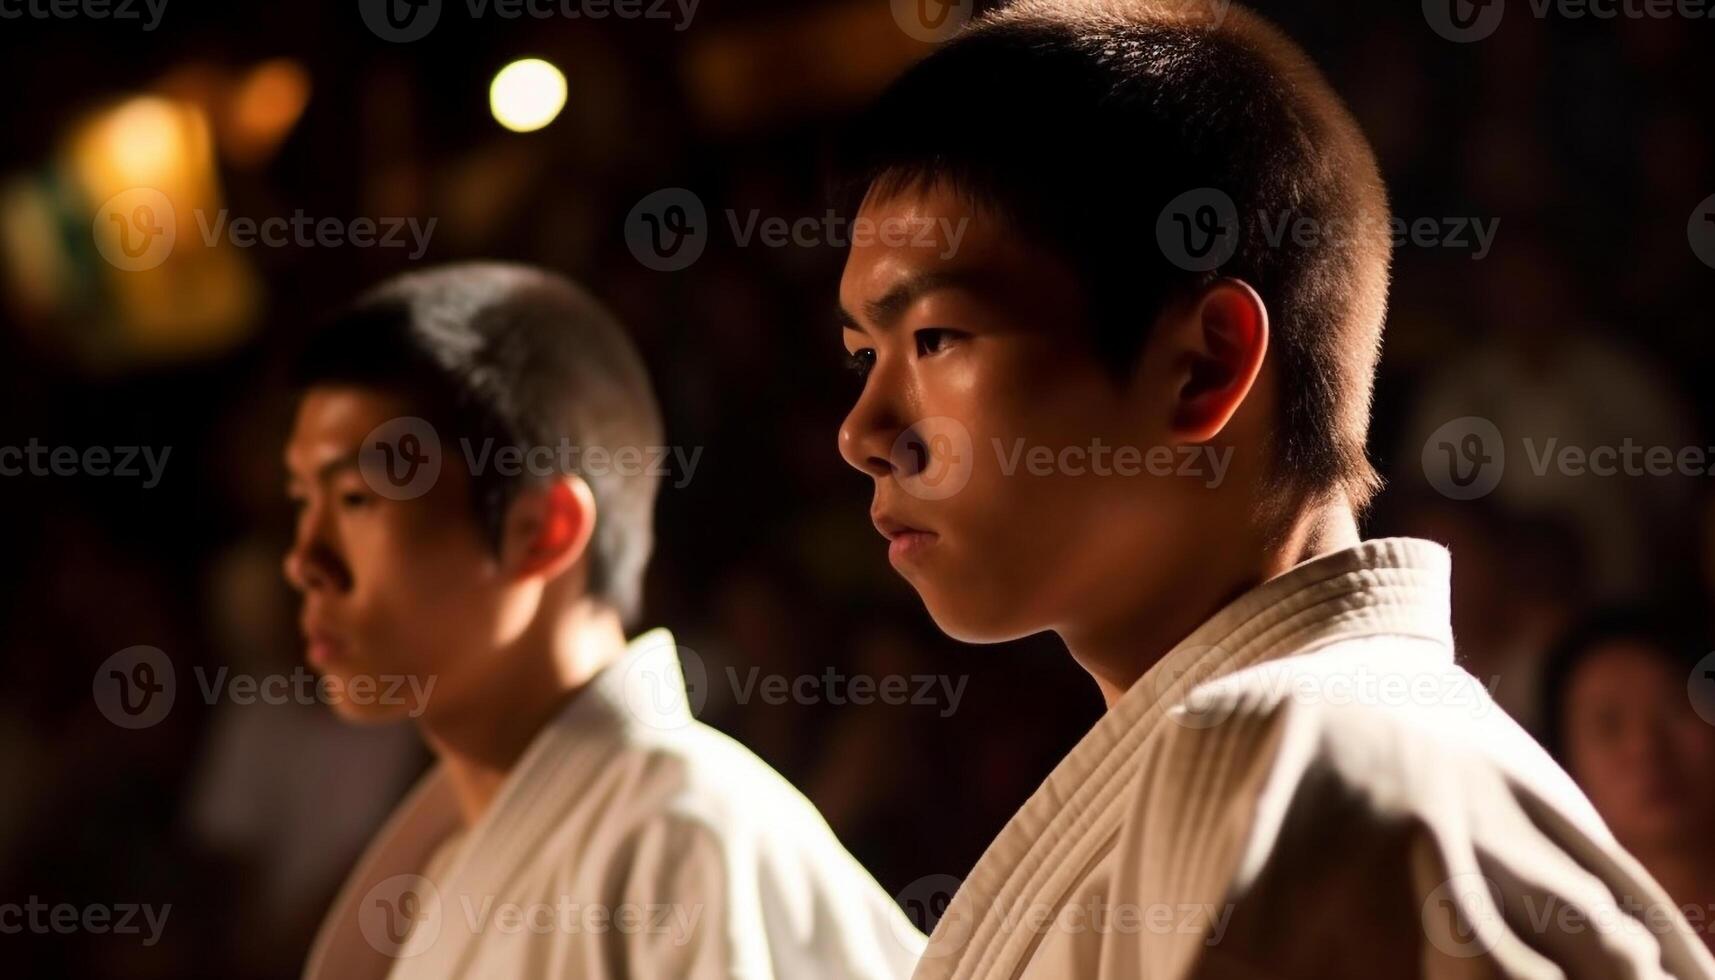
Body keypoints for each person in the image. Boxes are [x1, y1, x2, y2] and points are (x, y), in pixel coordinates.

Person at [831, 1, 1715, 976]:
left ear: (1203, 367)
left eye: (935, 339)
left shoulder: (1309, 772)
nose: (862, 432)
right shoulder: (1303, 761)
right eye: (862, 354)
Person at [286, 263, 922, 979]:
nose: (304, 560)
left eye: (356, 499)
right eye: (301, 499)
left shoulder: (687, 839)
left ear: (545, 530)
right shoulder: (445, 871)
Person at [1540, 611, 1715, 957]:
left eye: (1675, 707)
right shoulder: (1559, 947)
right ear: (1566, 766)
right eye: (1608, 726)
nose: (1645, 747)